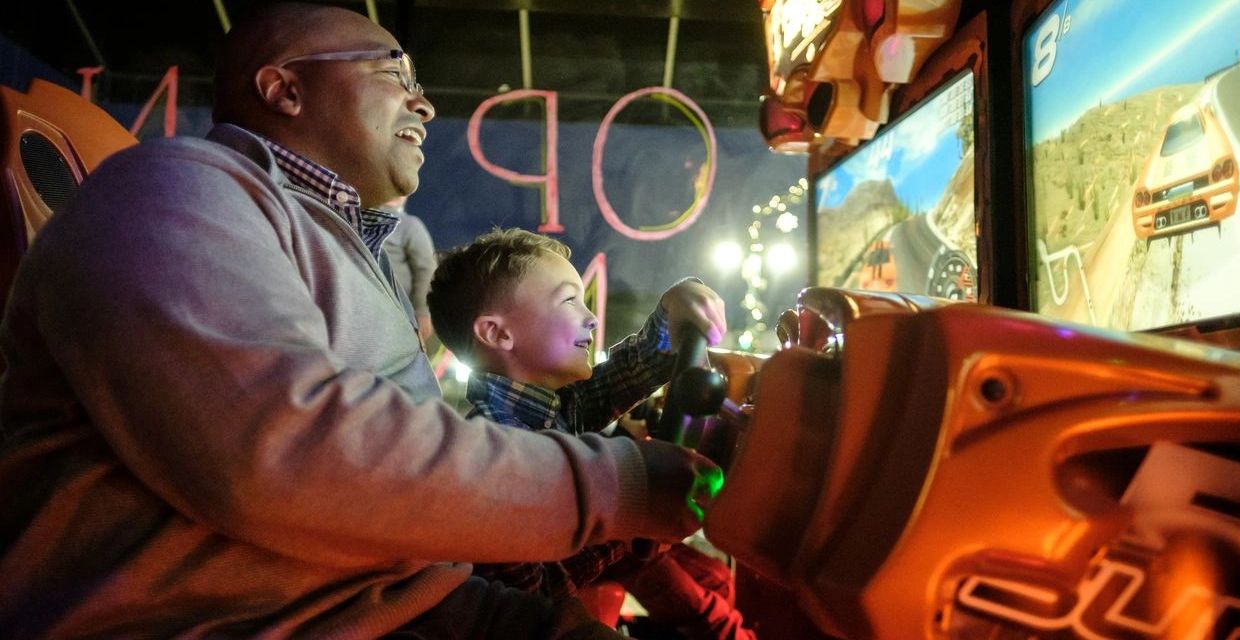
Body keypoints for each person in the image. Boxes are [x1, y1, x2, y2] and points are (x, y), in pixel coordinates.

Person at [0, 3, 719, 638]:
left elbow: (403, 552)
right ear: (285, 88)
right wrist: (625, 485)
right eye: (394, 75)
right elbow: (283, 450)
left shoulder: (345, 255)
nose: (425, 104)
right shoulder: (172, 187)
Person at [428, 229, 754, 640]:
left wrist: (679, 298)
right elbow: (544, 593)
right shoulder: (495, 454)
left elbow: (627, 371)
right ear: (498, 334)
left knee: (711, 579)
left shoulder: (554, 405)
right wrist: (636, 513)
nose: (593, 316)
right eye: (569, 300)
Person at [381, 195, 438, 346]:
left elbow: (426, 269)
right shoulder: (353, 219)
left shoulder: (408, 225)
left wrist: (422, 311)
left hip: (400, 313)